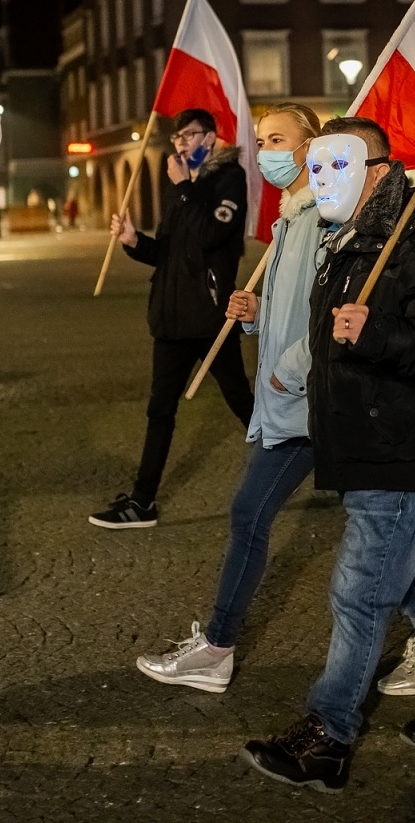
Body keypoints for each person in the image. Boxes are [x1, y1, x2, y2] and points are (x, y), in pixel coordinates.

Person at [241, 119, 415, 793]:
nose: (320, 178)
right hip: (369, 444)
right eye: (316, 167)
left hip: (406, 452)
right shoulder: (348, 241)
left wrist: (378, 333)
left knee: (358, 595)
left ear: (379, 173)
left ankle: (330, 734)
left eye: (336, 165)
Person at [134, 104, 327, 691]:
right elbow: (289, 306)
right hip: (292, 402)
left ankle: (216, 649)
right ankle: (217, 649)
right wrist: (255, 314)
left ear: (310, 146)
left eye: (279, 139)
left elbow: (329, 311)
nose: (267, 149)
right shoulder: (290, 219)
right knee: (383, 525)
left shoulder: (324, 217)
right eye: (263, 138)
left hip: (311, 401)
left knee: (381, 524)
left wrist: (289, 369)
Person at [91, 108, 255, 528]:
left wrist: (184, 188)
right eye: (178, 138)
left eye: (190, 135)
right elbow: (166, 254)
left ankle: (309, 460)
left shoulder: (228, 179)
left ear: (212, 137)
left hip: (209, 317)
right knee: (159, 410)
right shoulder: (180, 185)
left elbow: (210, 236)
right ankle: (142, 502)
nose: (182, 144)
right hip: (171, 319)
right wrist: (132, 241)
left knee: (243, 403)